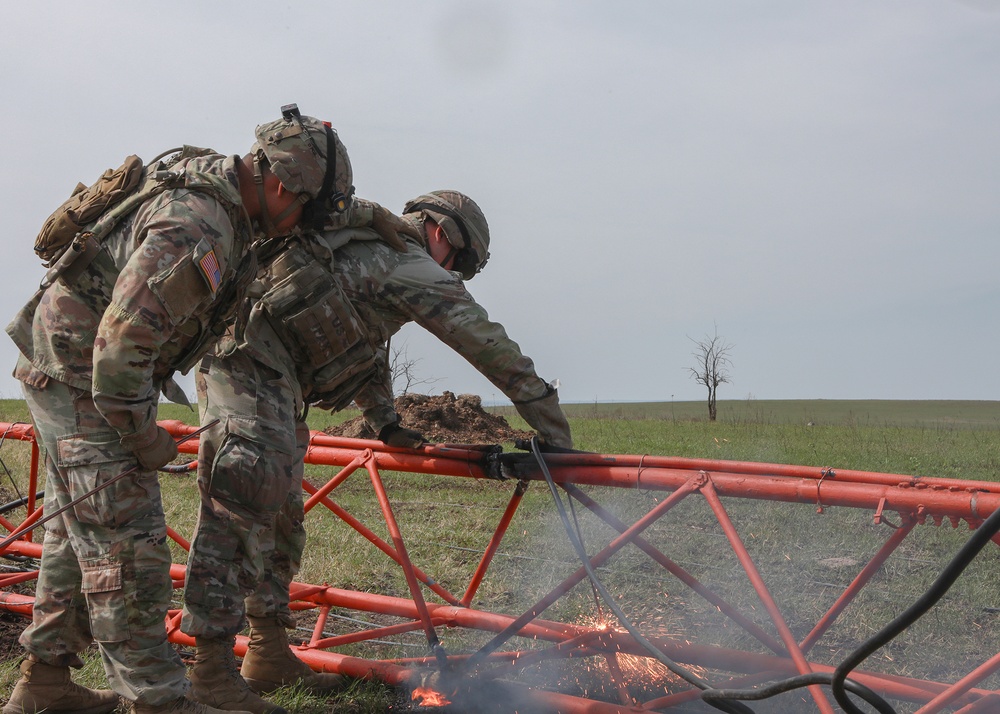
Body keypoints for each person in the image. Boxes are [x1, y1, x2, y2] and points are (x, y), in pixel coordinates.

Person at [2, 107, 368, 714]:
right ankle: (159, 700)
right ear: (281, 186)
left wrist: (376, 214)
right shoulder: (201, 226)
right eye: (305, 209)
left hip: (65, 368)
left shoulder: (216, 184)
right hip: (84, 379)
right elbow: (119, 350)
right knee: (128, 544)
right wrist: (143, 435)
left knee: (76, 533)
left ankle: (45, 684)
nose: (302, 226)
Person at [179, 190, 572, 709]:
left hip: (268, 377)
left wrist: (386, 424)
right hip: (248, 370)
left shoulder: (363, 249)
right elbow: (487, 344)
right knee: (239, 513)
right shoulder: (408, 261)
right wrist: (554, 430)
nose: (455, 273)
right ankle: (210, 669)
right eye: (461, 263)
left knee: (280, 517)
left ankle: (268, 651)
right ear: (445, 236)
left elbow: (362, 344)